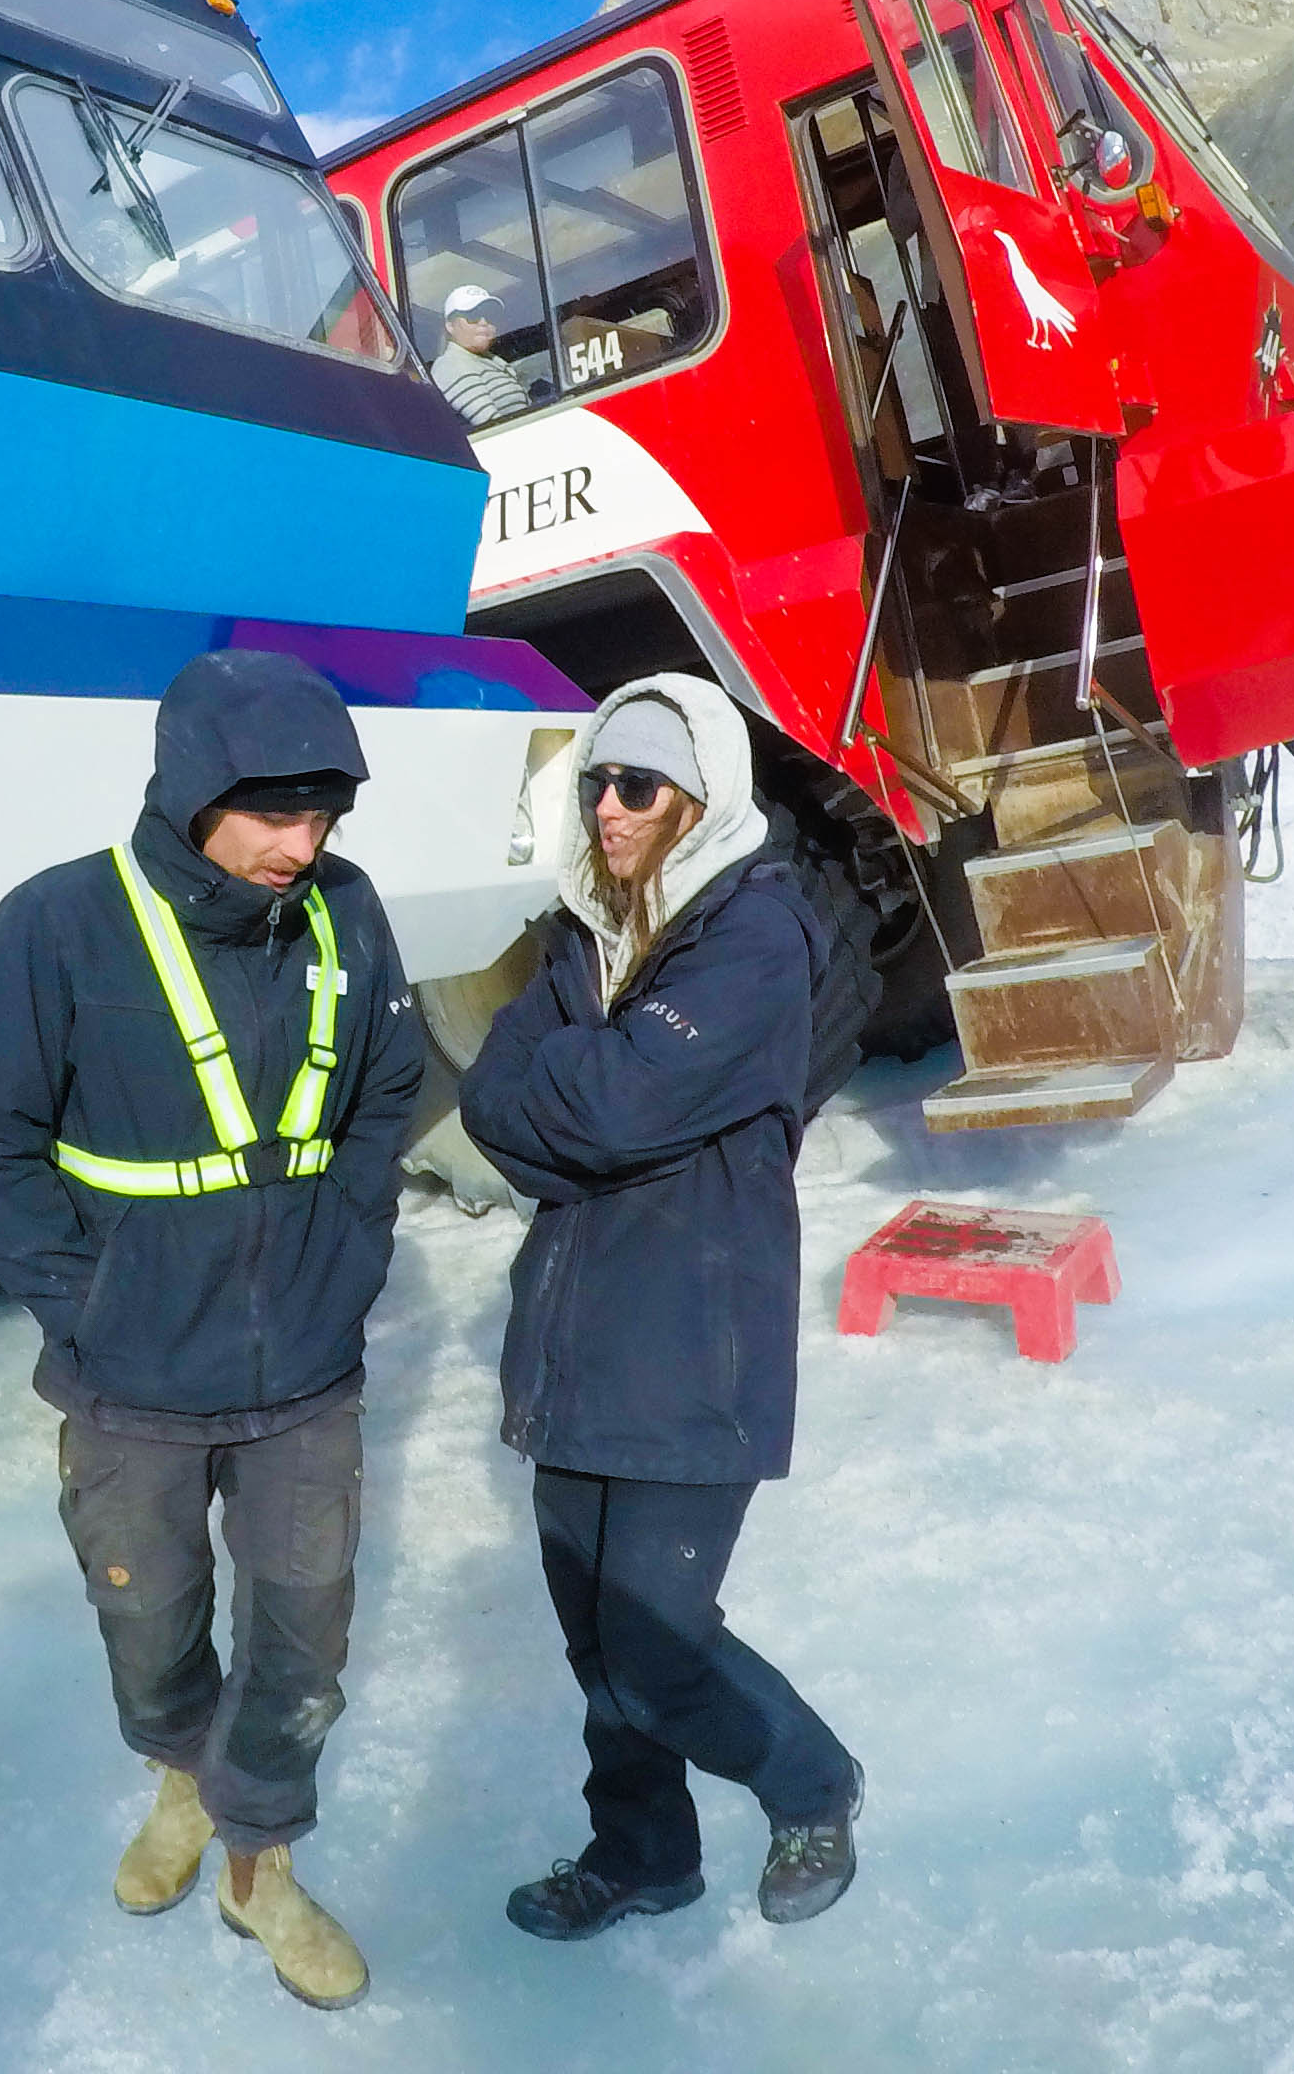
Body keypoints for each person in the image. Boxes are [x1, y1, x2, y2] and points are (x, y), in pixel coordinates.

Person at [0, 650, 429, 2010]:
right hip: (132, 1378)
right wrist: (86, 1304)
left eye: (323, 811)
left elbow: (391, 1087)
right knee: (147, 1616)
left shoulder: (346, 911)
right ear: (195, 790)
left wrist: (350, 1243)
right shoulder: (57, 927)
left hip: (305, 1372)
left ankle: (260, 1860)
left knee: (302, 1635)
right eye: (273, 811)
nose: (301, 842)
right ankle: (179, 1785)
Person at [457, 673, 862, 1941]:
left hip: (693, 1351)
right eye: (596, 784)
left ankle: (813, 1784)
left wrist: (578, 1096)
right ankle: (640, 1852)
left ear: (702, 797)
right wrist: (586, 1098)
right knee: (594, 1641)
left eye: (638, 786)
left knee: (659, 1643)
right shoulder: (584, 937)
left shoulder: (753, 936)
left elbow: (607, 1108)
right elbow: (489, 1104)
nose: (611, 809)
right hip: (574, 1346)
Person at [431, 283, 528, 427]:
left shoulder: (493, 362)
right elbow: (491, 425)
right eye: (473, 316)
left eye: (490, 315)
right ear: (450, 326)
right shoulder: (450, 365)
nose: (483, 322)